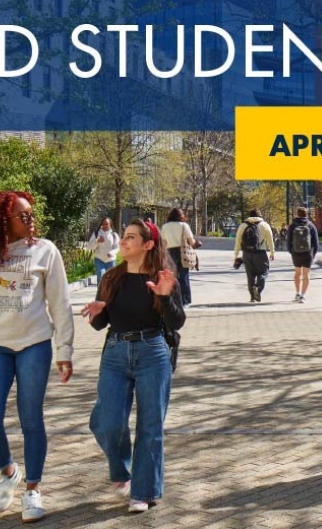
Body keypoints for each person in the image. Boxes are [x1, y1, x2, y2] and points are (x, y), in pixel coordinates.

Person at [0, 191, 75, 523]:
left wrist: (65, 350)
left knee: (30, 418)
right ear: (1, 222)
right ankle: (8, 471)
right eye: (24, 216)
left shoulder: (45, 251)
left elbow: (60, 304)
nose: (31, 221)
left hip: (35, 344)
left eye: (32, 215)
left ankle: (33, 489)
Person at [81, 219, 185, 513]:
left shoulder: (163, 277)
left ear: (148, 244)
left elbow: (177, 321)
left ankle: (143, 492)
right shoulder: (111, 278)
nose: (123, 242)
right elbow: (101, 323)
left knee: (150, 426)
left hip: (152, 352)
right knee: (106, 422)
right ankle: (122, 470)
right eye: (124, 236)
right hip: (115, 353)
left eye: (130, 237)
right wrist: (96, 313)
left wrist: (164, 297)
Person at [232, 210, 275, 302]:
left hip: (246, 253)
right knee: (263, 272)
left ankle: (252, 297)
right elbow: (270, 239)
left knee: (250, 275)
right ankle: (258, 288)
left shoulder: (243, 225)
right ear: (260, 216)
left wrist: (236, 255)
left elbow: (238, 241)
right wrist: (272, 252)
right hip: (260, 253)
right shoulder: (264, 225)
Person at [161, 208, 201, 307]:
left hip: (169, 252)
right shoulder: (184, 225)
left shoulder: (165, 227)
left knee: (172, 277)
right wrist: (197, 243)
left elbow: (163, 242)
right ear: (181, 216)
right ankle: (185, 301)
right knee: (184, 277)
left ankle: (174, 300)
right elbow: (191, 241)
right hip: (183, 252)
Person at [286, 207, 320, 303]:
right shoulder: (311, 225)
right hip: (308, 253)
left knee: (297, 273)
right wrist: (313, 253)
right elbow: (316, 242)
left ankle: (297, 293)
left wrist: (291, 251)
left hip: (296, 253)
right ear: (307, 214)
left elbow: (288, 241)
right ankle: (303, 295)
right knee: (306, 274)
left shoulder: (292, 225)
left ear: (297, 214)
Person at [90, 218, 120, 285]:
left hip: (111, 261)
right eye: (103, 224)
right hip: (99, 259)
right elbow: (90, 246)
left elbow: (117, 247)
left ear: (110, 224)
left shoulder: (114, 235)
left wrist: (112, 253)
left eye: (106, 224)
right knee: (101, 277)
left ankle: (110, 291)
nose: (105, 225)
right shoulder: (96, 233)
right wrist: (97, 242)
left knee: (111, 279)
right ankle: (100, 291)